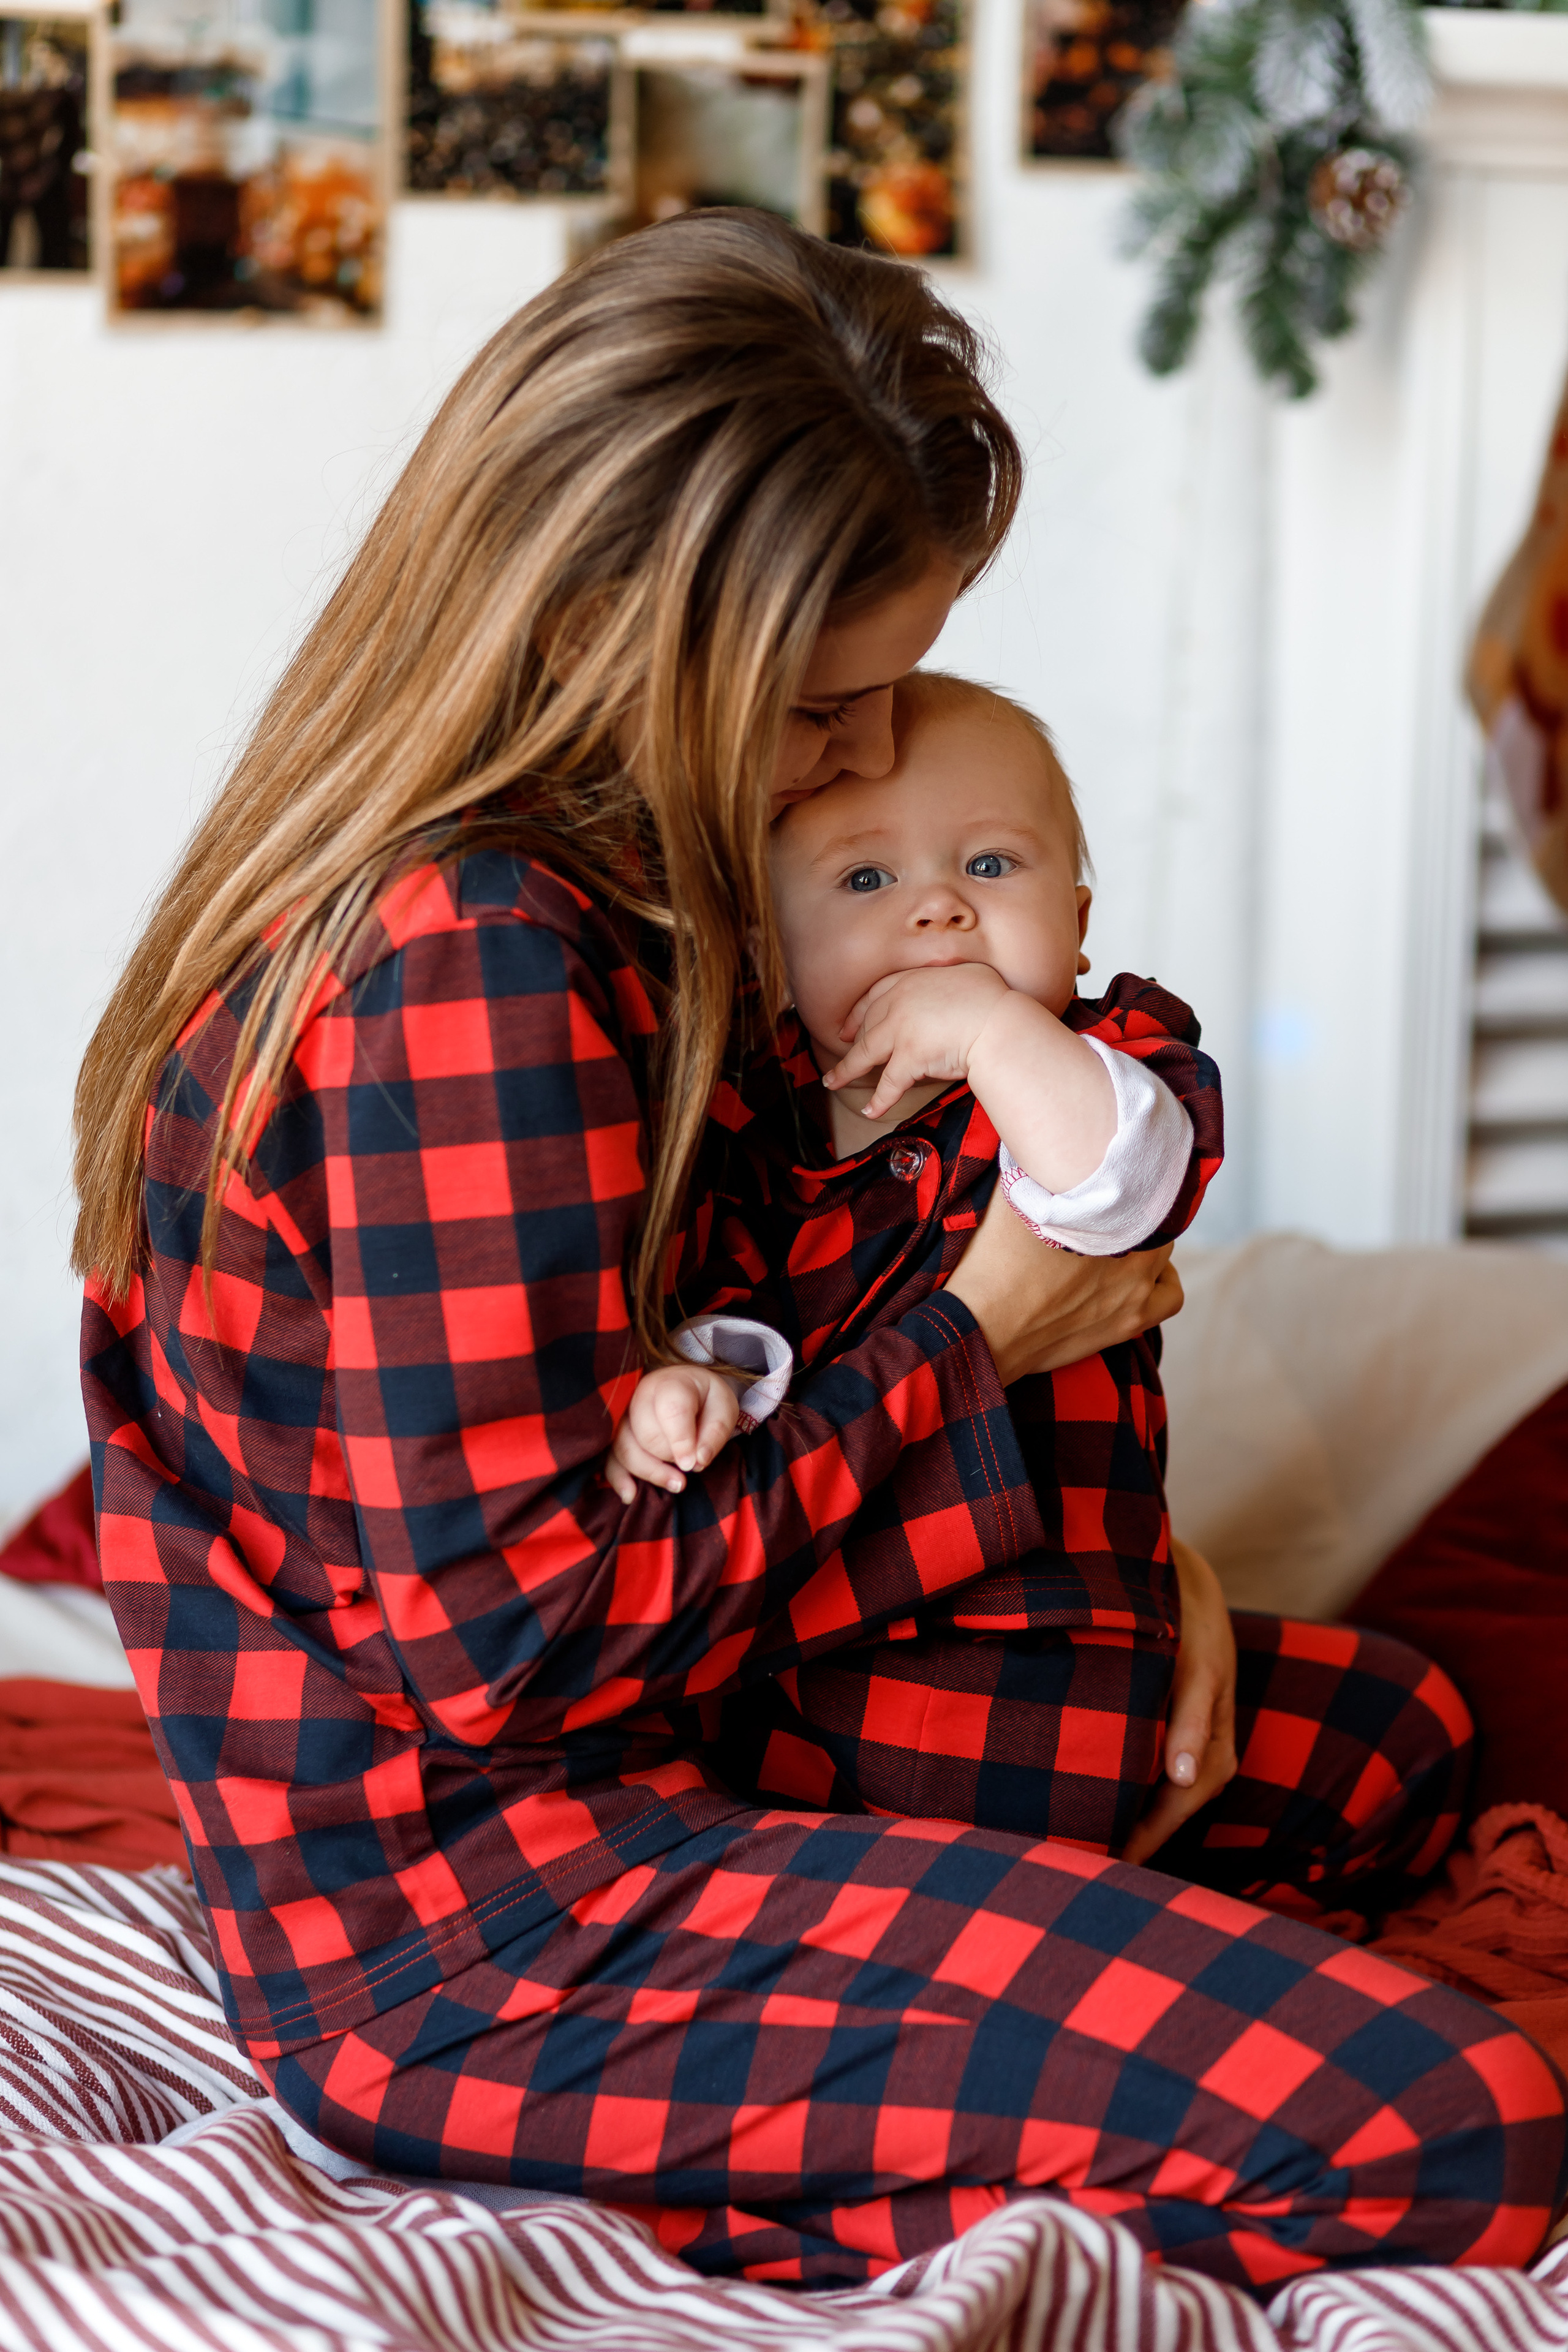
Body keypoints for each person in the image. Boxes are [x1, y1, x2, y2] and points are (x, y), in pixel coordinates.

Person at [72, 210, 1566, 2292]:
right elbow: (508, 1656)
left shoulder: (633, 905)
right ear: (621, 632)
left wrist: (1144, 1576)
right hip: (504, 1919)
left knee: (1388, 1740)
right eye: (830, 707)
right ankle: (760, 2190)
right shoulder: (473, 960)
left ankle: (1018, 2001)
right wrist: (985, 1341)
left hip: (713, 1733)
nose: (875, 759)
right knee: (1450, 2131)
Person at [612, 670, 1224, 1858]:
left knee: (1407, 1717)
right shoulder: (745, 1126)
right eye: (864, 878)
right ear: (768, 950)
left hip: (1078, 1660)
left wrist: (995, 1032)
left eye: (991, 867)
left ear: (1082, 917)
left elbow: (1118, 1188)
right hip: (835, 1689)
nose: (940, 908)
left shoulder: (1107, 1061)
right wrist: (686, 1385)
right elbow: (726, 1324)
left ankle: (1097, 1901)